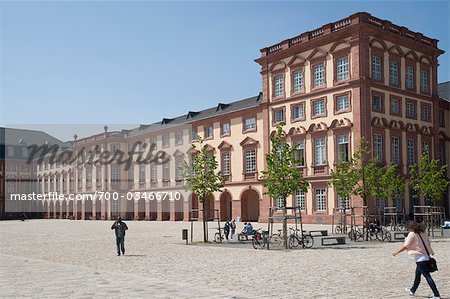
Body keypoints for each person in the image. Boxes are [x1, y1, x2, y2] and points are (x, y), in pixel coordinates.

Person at [392, 220, 440, 299]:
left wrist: (396, 252)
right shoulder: (423, 233)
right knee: (417, 275)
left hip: (420, 258)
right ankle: (412, 290)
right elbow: (428, 243)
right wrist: (431, 252)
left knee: (427, 277)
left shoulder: (412, 234)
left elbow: (406, 246)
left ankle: (436, 294)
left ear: (409, 227)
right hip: (426, 256)